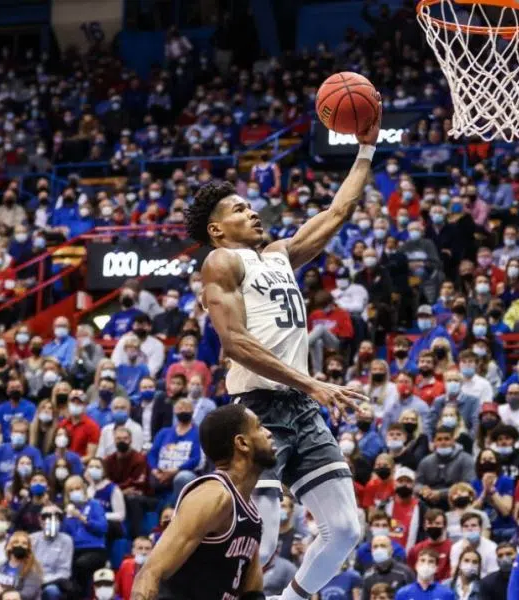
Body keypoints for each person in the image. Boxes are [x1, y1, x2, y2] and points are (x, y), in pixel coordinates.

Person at [189, 104, 381, 600]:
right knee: (265, 537)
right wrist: (312, 381)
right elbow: (235, 343)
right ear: (217, 230)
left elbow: (338, 212)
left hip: (301, 405)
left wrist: (366, 147)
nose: (251, 211)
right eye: (237, 209)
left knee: (344, 530)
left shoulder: (277, 255)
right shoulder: (221, 261)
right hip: (256, 412)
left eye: (250, 206)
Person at [131, 404, 276, 600]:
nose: (268, 433)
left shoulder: (251, 514)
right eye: (259, 427)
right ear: (242, 443)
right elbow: (150, 573)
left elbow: (252, 593)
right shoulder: (213, 495)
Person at [30, 505, 74, 600]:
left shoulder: (66, 540)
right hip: (31, 581)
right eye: (46, 517)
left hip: (52, 582)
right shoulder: (31, 538)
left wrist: (44, 581)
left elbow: (64, 572)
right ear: (40, 521)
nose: (51, 521)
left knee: (52, 591)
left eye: (56, 518)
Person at [0, 530, 43, 600]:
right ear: (8, 546)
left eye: (24, 544)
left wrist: (2, 592)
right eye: (16, 542)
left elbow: (27, 595)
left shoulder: (33, 570)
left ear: (28, 549)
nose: (20, 545)